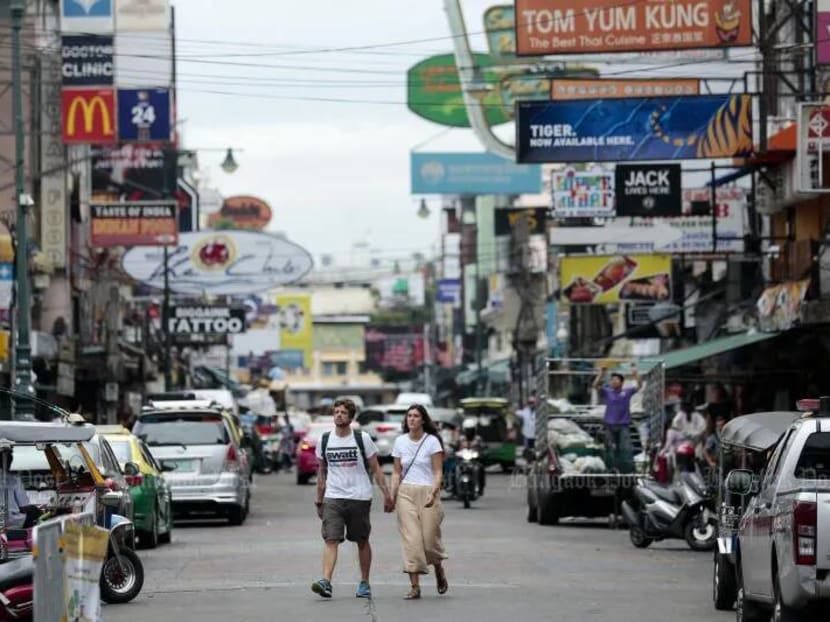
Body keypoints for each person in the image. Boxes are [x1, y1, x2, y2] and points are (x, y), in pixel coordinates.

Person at [312, 399, 393, 600]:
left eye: (343, 412)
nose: (339, 415)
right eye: (336, 412)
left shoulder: (362, 438)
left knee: (362, 540)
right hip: (334, 497)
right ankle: (326, 581)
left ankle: (364, 582)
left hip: (359, 497)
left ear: (351, 417)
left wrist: (387, 494)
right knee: (331, 539)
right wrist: (319, 499)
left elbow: (375, 468)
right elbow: (322, 471)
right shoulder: (325, 440)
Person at [390, 404, 448, 600]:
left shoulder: (432, 442)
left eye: (415, 416)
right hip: (405, 493)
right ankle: (415, 586)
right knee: (411, 540)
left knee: (430, 540)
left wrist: (434, 491)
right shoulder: (399, 441)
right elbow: (397, 472)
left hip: (428, 492)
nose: (411, 419)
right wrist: (392, 494)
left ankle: (438, 567)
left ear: (423, 420)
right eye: (409, 416)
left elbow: (438, 471)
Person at [593, 364, 642, 473]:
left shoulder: (627, 392)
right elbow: (595, 385)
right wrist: (601, 373)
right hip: (609, 425)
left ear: (621, 382)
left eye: (616, 380)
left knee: (625, 449)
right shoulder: (607, 391)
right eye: (612, 380)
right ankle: (610, 470)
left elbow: (639, 385)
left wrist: (635, 374)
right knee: (610, 449)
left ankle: (626, 471)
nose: (613, 382)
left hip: (623, 425)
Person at [0, 448, 40, 528]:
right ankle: (23, 537)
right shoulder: (14, 479)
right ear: (8, 464)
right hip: (10, 521)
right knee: (34, 511)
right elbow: (23, 506)